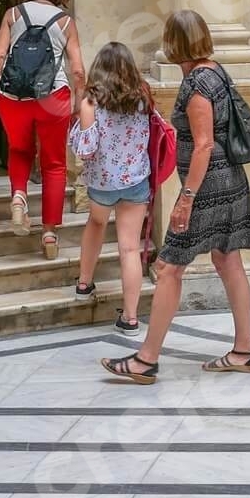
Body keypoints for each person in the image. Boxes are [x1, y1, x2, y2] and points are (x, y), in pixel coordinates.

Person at [101, 9, 250, 383]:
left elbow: (203, 145)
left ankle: (146, 359)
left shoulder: (197, 85)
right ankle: (243, 350)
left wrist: (186, 197)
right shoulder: (216, 71)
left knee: (170, 267)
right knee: (227, 260)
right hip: (229, 180)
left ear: (176, 43)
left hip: (209, 187)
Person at [0, 0, 85, 260]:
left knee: (19, 149)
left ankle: (19, 198)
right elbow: (77, 69)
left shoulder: (13, 15)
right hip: (52, 98)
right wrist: (78, 103)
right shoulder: (65, 21)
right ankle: (50, 233)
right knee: (54, 164)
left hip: (12, 97)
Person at [69, 42, 156, 333]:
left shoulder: (91, 102)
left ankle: (84, 282)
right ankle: (130, 318)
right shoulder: (142, 96)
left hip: (103, 183)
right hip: (135, 181)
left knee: (95, 225)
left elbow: (87, 149)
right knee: (129, 248)